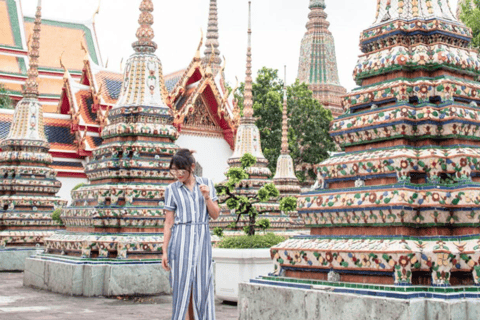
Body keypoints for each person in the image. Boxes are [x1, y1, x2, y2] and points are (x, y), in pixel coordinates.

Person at [162, 149, 221, 320]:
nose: (177, 174)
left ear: (192, 167)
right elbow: (168, 222)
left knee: (203, 286)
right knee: (182, 287)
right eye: (174, 170)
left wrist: (207, 197)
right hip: (180, 241)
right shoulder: (171, 189)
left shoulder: (207, 183)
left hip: (202, 241)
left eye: (181, 170)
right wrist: (164, 251)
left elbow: (215, 214)